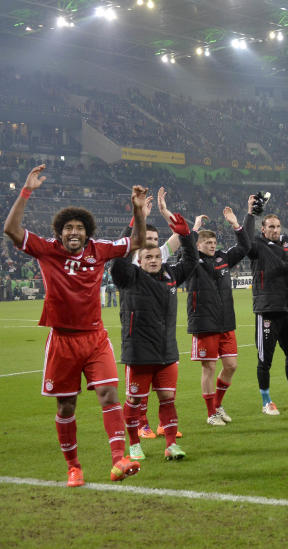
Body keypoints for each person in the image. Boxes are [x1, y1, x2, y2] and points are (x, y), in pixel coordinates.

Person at [3, 164, 146, 486]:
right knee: (66, 406)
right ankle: (74, 466)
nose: (73, 232)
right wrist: (25, 191)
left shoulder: (100, 250)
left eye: (79, 227)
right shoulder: (46, 250)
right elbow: (11, 230)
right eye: (68, 227)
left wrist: (138, 210)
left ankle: (119, 459)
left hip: (95, 338)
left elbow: (137, 241)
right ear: (59, 231)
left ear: (87, 231)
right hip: (63, 341)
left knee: (109, 394)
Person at [113, 211, 197, 461]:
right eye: (147, 256)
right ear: (139, 259)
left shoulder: (171, 276)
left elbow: (191, 261)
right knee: (134, 402)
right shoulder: (130, 278)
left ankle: (171, 445)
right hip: (138, 354)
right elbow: (118, 261)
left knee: (167, 399)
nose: (153, 259)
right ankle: (135, 443)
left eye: (157, 256)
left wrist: (185, 234)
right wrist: (131, 226)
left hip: (166, 352)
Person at [184, 197, 254, 426]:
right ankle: (210, 413)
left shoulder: (223, 258)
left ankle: (218, 405)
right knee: (209, 367)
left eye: (214, 242)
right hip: (204, 323)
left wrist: (236, 224)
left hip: (226, 322)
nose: (213, 245)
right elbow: (185, 249)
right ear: (198, 245)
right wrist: (194, 229)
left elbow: (244, 247)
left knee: (231, 365)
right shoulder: (191, 262)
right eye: (207, 243)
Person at [246, 199, 288, 415]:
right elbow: (244, 240)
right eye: (271, 227)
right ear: (263, 229)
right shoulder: (256, 245)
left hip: (287, 310)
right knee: (265, 360)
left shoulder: (287, 243)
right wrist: (250, 214)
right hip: (267, 311)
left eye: (278, 226)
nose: (276, 230)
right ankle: (266, 401)